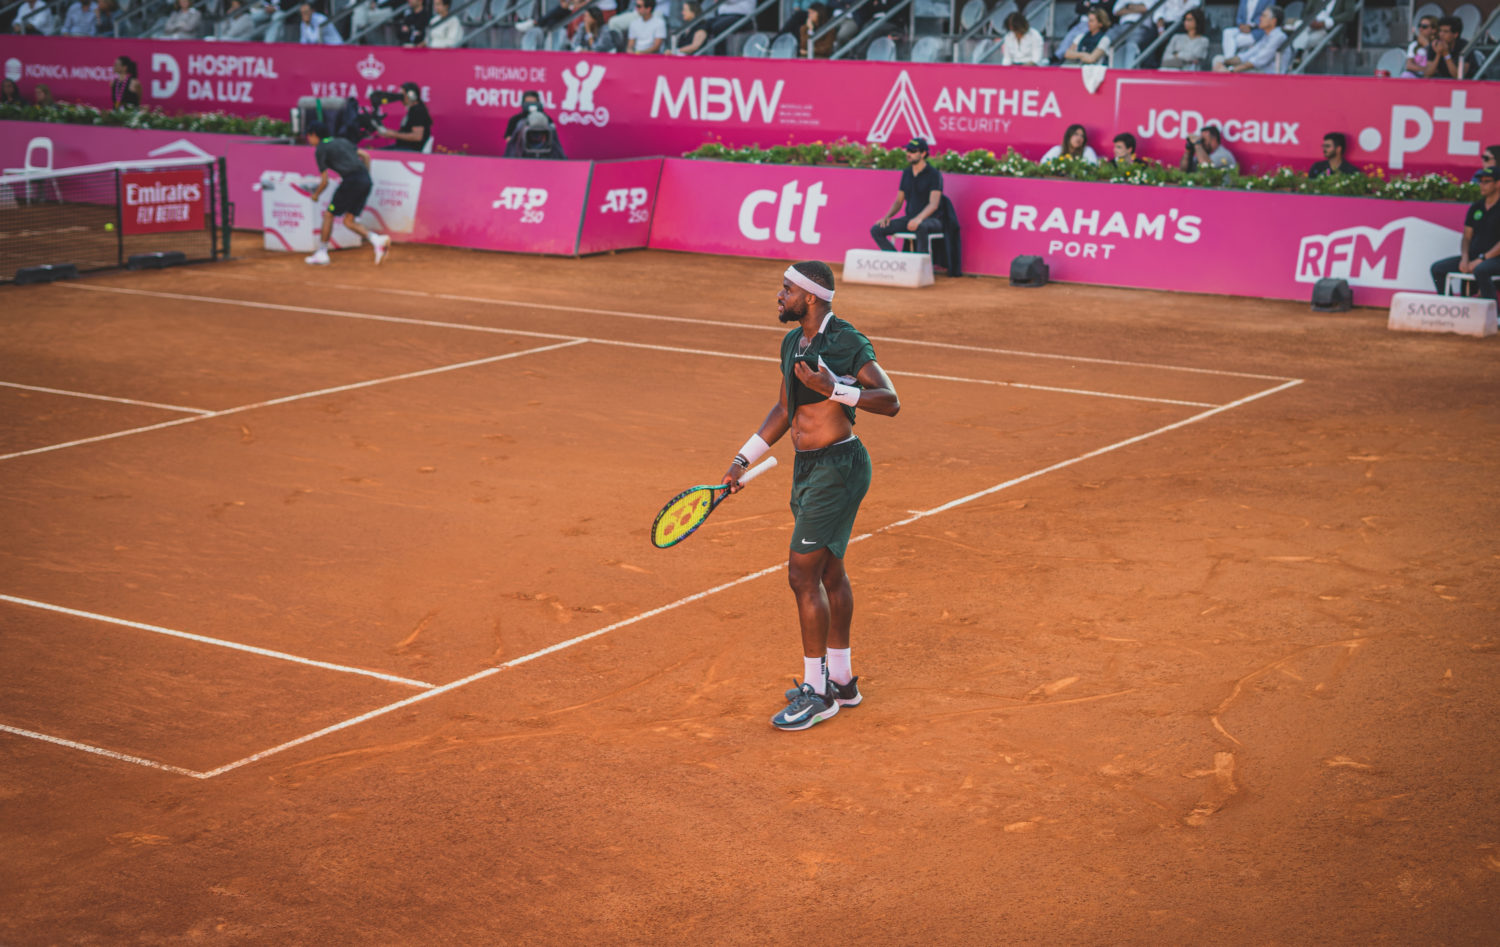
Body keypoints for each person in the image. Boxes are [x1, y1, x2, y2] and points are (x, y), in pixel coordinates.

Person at [720, 260, 900, 732]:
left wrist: (836, 387)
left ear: (811, 297)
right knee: (829, 570)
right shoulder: (790, 342)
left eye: (786, 289)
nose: (780, 296)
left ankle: (817, 693)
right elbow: (785, 407)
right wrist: (743, 459)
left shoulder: (845, 341)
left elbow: (890, 399)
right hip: (807, 469)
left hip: (839, 468)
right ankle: (840, 680)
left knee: (802, 575)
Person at [303, 122, 392, 267]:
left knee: (328, 215)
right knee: (348, 221)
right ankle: (377, 240)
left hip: (352, 180)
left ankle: (322, 253)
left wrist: (316, 195)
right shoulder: (342, 141)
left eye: (309, 136)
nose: (308, 139)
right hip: (365, 180)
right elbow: (365, 156)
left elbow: (324, 181)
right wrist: (364, 178)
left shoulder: (321, 148)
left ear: (314, 135)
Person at [1430, 168, 1500, 300]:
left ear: (1498, 184)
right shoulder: (1476, 207)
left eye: (1486, 181)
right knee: (1438, 269)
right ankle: (1450, 308)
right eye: (1480, 181)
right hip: (1474, 258)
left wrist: (1482, 259)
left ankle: (1491, 314)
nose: (1482, 185)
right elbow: (1467, 237)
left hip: (1495, 259)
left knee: (1481, 270)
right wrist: (1465, 257)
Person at [870, 138, 944, 254]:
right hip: (910, 218)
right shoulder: (907, 173)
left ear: (923, 153)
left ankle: (921, 266)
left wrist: (918, 219)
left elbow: (933, 204)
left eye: (913, 151)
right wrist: (887, 217)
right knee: (877, 229)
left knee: (921, 227)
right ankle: (897, 260)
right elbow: (899, 201)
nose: (909, 154)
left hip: (932, 220)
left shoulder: (933, 174)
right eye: (908, 150)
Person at [1213, 5, 1285, 73]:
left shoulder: (1278, 36)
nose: (1260, 18)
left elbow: (1257, 61)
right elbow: (1245, 56)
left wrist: (1230, 70)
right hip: (1257, 70)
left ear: (1273, 21)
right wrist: (1223, 62)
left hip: (1268, 76)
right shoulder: (1266, 36)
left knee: (1223, 70)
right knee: (1218, 59)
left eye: (1264, 16)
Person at [1287, 0, 1356, 66]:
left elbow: (1349, 14)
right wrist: (1311, 21)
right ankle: (1298, 56)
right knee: (1301, 31)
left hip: (1327, 29)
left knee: (1308, 40)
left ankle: (1298, 56)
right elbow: (1306, 12)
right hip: (1311, 25)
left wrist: (1326, 23)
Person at [373, 82, 430, 152]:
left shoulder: (418, 111)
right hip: (401, 146)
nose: (400, 98)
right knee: (375, 153)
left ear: (412, 96)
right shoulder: (413, 110)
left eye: (402, 95)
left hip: (410, 150)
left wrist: (393, 134)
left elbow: (417, 136)